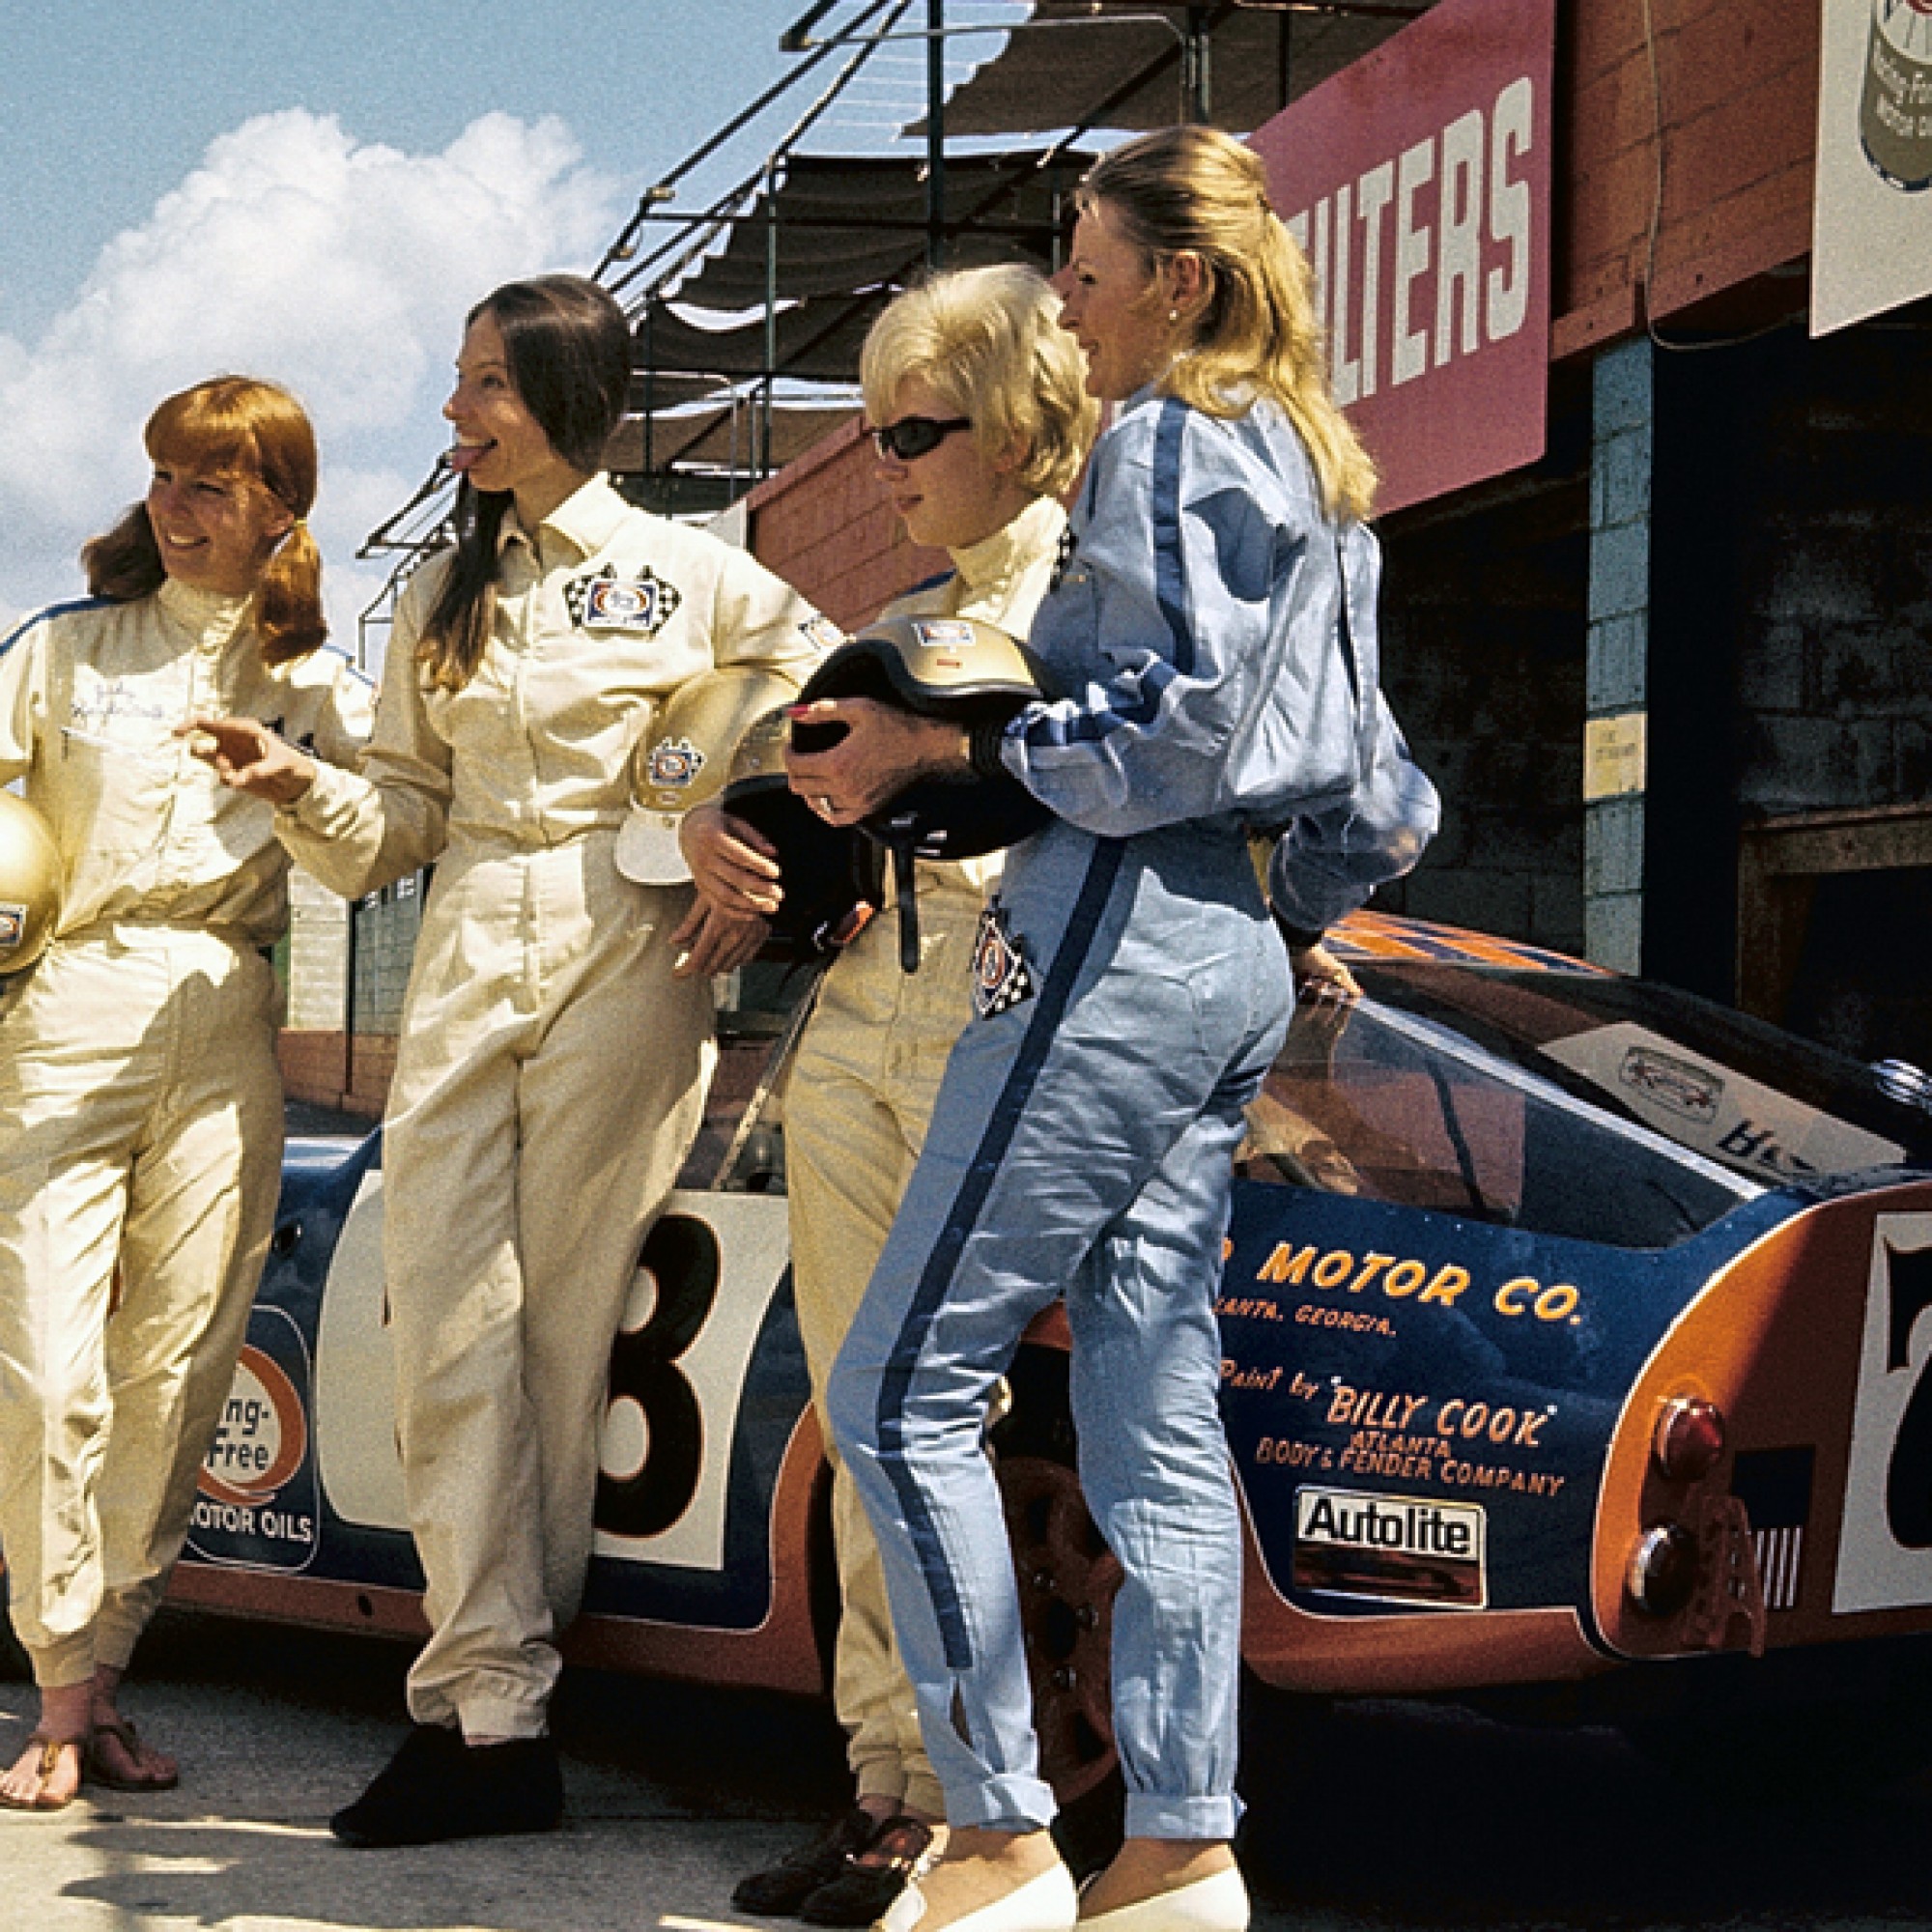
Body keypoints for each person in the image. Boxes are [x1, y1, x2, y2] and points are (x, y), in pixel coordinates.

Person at [786, 127, 1438, 1932]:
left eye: (1085, 267)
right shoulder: (1329, 474)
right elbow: (1385, 797)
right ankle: (1177, 1846)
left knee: (899, 1384)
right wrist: (1273, 919)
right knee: (1156, 1395)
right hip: (1228, 948)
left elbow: (1175, 728)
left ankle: (995, 1832)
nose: (1065, 302)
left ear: (1184, 281)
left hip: (1107, 926)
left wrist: (953, 753)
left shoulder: (1164, 436)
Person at [187, 274, 831, 1847]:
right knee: (445, 1319)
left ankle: (499, 1716)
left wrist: (726, 814)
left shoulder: (699, 573)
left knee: (555, 1327)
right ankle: (485, 1699)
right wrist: (300, 785)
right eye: (459, 379)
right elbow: (398, 817)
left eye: (486, 381)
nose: (459, 410)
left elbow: (825, 700)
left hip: (636, 939)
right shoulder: (437, 595)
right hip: (472, 929)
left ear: (568, 394)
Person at [679, 263, 1097, 1926]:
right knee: (869, 1420)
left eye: (916, 430)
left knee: (955, 1430)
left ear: (1014, 424)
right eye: (871, 435)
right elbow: (815, 794)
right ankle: (887, 1799)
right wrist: (732, 822)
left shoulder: (1112, 602)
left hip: (1022, 1023)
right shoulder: (912, 607)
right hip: (861, 1026)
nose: (887, 465)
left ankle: (994, 1811)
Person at [0, 376, 371, 1811]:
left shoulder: (320, 687)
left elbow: (376, 849)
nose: (175, 505)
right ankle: (52, 1672)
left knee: (179, 1367)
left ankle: (97, 1683)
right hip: (62, 1003)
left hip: (226, 1012)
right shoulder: (61, 650)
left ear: (281, 507)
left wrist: (295, 782)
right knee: (45, 1356)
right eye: (163, 476)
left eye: (211, 484)